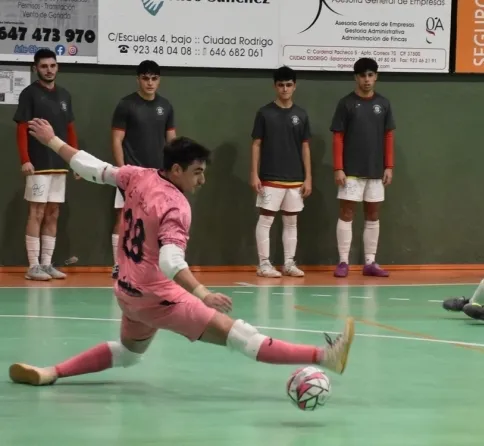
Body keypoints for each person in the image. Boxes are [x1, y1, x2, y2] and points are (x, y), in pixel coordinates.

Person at [8, 118, 354, 387]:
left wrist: (51, 140)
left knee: (128, 354)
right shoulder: (176, 206)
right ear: (176, 170)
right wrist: (203, 294)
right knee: (242, 336)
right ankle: (325, 356)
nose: (202, 180)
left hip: (126, 293)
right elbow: (170, 260)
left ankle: (51, 372)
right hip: (159, 298)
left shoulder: (137, 175)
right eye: (197, 173)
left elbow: (91, 168)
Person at [13, 49, 78, 281]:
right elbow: (22, 128)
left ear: (57, 67)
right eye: (44, 66)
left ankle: (46, 263)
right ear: (35, 69)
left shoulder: (65, 95)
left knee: (53, 213)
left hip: (59, 164)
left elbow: (70, 130)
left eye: (52, 65)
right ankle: (33, 267)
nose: (49, 70)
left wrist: (75, 161)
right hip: (38, 164)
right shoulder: (29, 94)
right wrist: (25, 159)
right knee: (37, 212)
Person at [110, 60, 176, 279]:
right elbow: (117, 140)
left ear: (159, 80)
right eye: (145, 78)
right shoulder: (126, 105)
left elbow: (172, 141)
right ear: (138, 79)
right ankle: (119, 265)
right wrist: (122, 171)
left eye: (154, 78)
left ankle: (151, 266)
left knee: (156, 220)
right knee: (124, 217)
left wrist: (172, 170)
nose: (150, 83)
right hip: (132, 173)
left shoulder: (165, 106)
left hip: (158, 175)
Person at [330, 57, 395, 278]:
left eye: (370, 75)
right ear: (356, 77)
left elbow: (388, 136)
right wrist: (338, 167)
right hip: (350, 171)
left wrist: (389, 166)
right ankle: (343, 262)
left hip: (376, 170)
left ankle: (370, 262)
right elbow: (338, 137)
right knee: (346, 213)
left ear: (376, 77)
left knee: (373, 214)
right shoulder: (346, 103)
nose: (366, 80)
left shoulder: (383, 104)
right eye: (362, 75)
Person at [250, 66, 312, 278]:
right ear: (274, 87)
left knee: (291, 222)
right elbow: (256, 144)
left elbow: (305, 147)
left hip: (295, 179)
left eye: (288, 85)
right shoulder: (264, 113)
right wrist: (254, 174)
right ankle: (264, 264)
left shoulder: (301, 115)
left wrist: (308, 178)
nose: (285, 89)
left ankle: (289, 264)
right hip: (270, 177)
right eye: (281, 85)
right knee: (266, 219)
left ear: (295, 86)